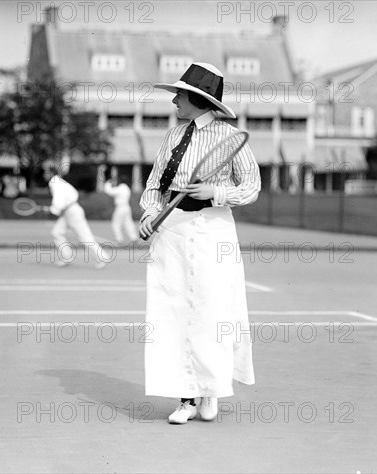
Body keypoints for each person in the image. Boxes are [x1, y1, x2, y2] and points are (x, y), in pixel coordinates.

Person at [138, 62, 261, 424]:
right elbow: (154, 185)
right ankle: (185, 399)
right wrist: (148, 215)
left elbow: (251, 187)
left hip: (213, 229)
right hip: (171, 231)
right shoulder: (173, 137)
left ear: (198, 99)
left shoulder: (229, 137)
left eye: (180, 94)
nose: (174, 99)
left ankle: (211, 391)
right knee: (172, 312)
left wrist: (216, 192)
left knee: (212, 312)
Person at [43, 165, 106, 269]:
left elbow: (59, 200)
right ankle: (67, 257)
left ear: (51, 173)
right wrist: (54, 209)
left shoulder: (54, 182)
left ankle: (102, 258)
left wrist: (53, 210)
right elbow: (62, 200)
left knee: (85, 236)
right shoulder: (58, 181)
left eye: (45, 173)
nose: (44, 175)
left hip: (72, 211)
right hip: (69, 211)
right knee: (56, 232)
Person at [103, 175, 139, 243]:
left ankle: (118, 239)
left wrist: (107, 183)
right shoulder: (126, 188)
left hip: (120, 208)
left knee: (116, 223)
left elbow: (109, 191)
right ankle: (134, 238)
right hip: (126, 207)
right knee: (128, 223)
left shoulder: (121, 188)